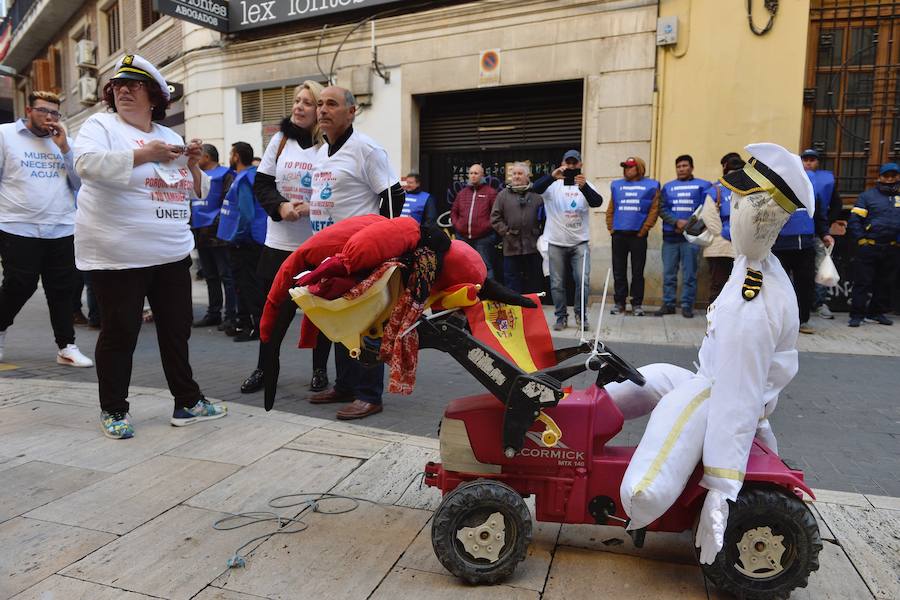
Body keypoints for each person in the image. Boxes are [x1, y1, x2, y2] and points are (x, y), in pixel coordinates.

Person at [605, 142, 814, 564]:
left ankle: (636, 508)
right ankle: (581, 415)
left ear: (755, 217)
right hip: (713, 381)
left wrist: (721, 488)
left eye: (736, 204)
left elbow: (736, 402)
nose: (728, 210)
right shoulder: (753, 263)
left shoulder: (752, 305)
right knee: (648, 375)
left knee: (657, 449)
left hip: (718, 395)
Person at [73, 54, 226, 439]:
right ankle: (114, 409)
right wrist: (146, 154)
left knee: (177, 329)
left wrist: (191, 165)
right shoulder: (101, 125)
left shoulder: (171, 136)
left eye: (135, 85)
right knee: (120, 331)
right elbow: (86, 165)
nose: (124, 90)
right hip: (120, 254)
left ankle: (187, 402)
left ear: (154, 96)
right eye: (118, 86)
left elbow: (195, 192)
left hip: (171, 252)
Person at [307, 85, 405, 420]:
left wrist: (382, 245)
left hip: (360, 254)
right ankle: (345, 386)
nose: (323, 110)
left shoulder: (366, 149)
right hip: (330, 255)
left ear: (351, 112)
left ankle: (369, 394)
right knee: (338, 320)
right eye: (320, 104)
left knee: (365, 324)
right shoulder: (321, 152)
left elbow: (392, 195)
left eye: (331, 104)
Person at [240, 81, 327, 395]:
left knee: (321, 313)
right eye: (297, 101)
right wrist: (281, 206)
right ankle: (264, 368)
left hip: (317, 246)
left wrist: (311, 207)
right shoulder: (279, 140)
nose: (299, 107)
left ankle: (319, 370)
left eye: (307, 102)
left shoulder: (330, 146)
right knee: (273, 313)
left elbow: (338, 191)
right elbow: (261, 185)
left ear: (320, 109)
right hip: (278, 247)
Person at [0, 90, 93, 367]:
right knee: (20, 284)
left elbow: (80, 184)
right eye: (43, 111)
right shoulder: (5, 135)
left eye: (55, 113)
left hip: (61, 225)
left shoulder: (65, 142)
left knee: (62, 289)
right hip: (18, 225)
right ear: (28, 110)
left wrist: (65, 148)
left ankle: (66, 346)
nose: (50, 117)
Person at [532, 150, 603, 331]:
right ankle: (561, 317)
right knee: (556, 283)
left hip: (580, 243)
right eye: (568, 163)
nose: (571, 167)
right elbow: (535, 188)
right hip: (556, 242)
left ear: (580, 165)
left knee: (582, 281)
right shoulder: (553, 185)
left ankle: (581, 316)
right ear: (562, 164)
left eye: (574, 163)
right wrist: (551, 176)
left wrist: (584, 187)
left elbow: (597, 202)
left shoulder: (586, 185)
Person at [771, 151, 833, 334]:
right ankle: (778, 323)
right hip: (780, 246)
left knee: (805, 285)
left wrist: (825, 234)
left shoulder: (811, 189)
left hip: (806, 246)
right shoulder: (776, 188)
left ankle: (802, 321)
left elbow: (820, 215)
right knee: (779, 286)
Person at [217, 142, 267, 347]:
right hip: (251, 240)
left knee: (247, 286)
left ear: (236, 156)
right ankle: (246, 323)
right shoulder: (250, 176)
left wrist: (236, 236)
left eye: (231, 153)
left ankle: (254, 326)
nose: (230, 157)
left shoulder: (245, 178)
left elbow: (246, 214)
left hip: (246, 241)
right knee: (247, 285)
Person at [656, 155, 711, 318]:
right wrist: (675, 222)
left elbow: (706, 210)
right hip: (670, 237)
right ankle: (668, 304)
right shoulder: (668, 187)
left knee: (690, 274)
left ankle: (687, 305)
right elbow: (661, 209)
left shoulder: (703, 185)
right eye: (678, 166)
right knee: (669, 274)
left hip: (691, 238)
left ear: (692, 168)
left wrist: (688, 224)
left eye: (685, 166)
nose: (681, 169)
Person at [846, 162, 900, 327]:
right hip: (869, 246)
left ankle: (876, 313)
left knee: (884, 282)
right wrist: (862, 240)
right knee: (862, 282)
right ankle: (857, 315)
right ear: (880, 177)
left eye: (893, 176)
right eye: (886, 176)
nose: (890, 179)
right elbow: (855, 220)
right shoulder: (867, 196)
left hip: (891, 247)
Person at [606, 156, 660, 317]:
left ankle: (637, 304)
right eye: (625, 167)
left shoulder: (651, 185)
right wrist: (611, 228)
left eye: (631, 167)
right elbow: (611, 208)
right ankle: (619, 303)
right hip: (619, 235)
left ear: (640, 168)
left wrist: (644, 230)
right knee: (618, 271)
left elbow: (654, 210)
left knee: (638, 271)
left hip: (638, 236)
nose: (627, 170)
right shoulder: (617, 185)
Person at [191, 143, 237, 330]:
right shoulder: (195, 176)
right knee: (210, 276)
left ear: (207, 157)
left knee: (226, 275)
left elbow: (228, 202)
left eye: (198, 156)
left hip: (218, 234)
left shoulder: (226, 175)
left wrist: (217, 224)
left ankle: (231, 315)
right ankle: (213, 313)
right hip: (200, 233)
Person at [800, 149, 842, 319]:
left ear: (817, 162)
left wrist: (824, 226)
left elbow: (837, 204)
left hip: (817, 233)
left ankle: (819, 303)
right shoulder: (793, 179)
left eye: (812, 160)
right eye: (806, 160)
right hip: (795, 234)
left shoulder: (826, 181)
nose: (809, 163)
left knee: (820, 269)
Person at [490, 162, 544, 294]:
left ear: (527, 176)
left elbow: (544, 218)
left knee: (533, 279)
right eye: (514, 174)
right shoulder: (502, 195)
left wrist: (540, 234)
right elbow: (495, 217)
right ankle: (514, 309)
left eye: (520, 174)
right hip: (511, 246)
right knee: (511, 279)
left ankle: (532, 308)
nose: (516, 176)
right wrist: (506, 232)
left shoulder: (537, 196)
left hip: (532, 246)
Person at [700, 156, 744, 303]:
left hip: (742, 247)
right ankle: (715, 320)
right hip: (720, 247)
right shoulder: (716, 190)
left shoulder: (749, 190)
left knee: (740, 286)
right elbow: (709, 217)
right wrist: (725, 232)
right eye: (733, 171)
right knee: (718, 284)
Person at [450, 164, 498, 278]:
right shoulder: (462, 193)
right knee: (462, 265)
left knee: (485, 266)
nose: (473, 176)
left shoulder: (490, 192)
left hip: (484, 238)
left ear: (482, 175)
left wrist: (486, 226)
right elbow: (454, 212)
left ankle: (487, 292)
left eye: (476, 173)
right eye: (471, 173)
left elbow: (496, 213)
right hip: (463, 237)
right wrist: (458, 225)